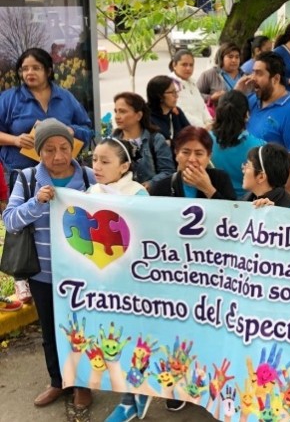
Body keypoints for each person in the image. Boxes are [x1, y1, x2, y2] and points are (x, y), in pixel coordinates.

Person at [3, 118, 95, 410]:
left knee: (81, 330)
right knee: (51, 331)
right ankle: (58, 381)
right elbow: (10, 220)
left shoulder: (90, 178)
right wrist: (36, 203)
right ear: (39, 151)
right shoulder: (28, 178)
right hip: (43, 273)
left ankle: (82, 385)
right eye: (49, 149)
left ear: (73, 148)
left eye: (64, 148)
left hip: (83, 275)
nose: (58, 156)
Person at [90, 138, 153, 422]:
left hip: (133, 283)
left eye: (105, 161)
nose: (97, 166)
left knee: (135, 338)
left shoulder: (137, 195)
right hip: (103, 283)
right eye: (94, 160)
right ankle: (127, 397)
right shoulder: (89, 193)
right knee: (112, 340)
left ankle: (137, 392)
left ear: (124, 166)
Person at [0, 48, 93, 172]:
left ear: (48, 71)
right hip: (20, 173)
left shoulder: (65, 97)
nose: (29, 73)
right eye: (25, 69)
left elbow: (87, 130)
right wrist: (15, 140)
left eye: (36, 68)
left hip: (61, 172)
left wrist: (72, 130)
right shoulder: (8, 99)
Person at [235, 52, 290, 195]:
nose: (253, 78)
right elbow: (226, 122)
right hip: (249, 194)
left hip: (272, 200)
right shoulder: (252, 101)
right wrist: (237, 92)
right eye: (253, 72)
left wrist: (280, 199)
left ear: (275, 78)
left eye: (259, 73)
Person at [151, 126, 237, 200]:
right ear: (176, 154)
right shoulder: (162, 186)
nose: (192, 159)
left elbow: (232, 211)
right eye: (186, 152)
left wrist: (208, 189)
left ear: (209, 156)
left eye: (199, 154)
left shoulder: (221, 179)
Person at [111, 92, 175, 191]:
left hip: (149, 197)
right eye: (116, 111)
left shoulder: (155, 139)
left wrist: (151, 183)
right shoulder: (111, 142)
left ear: (139, 115)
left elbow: (168, 171)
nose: (117, 116)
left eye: (122, 111)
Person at [209, 90, 265, 198]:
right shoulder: (260, 148)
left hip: (210, 200)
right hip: (246, 204)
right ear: (247, 115)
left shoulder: (204, 141)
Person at [242, 144, 290, 209]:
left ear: (261, 177)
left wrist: (274, 212)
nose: (243, 170)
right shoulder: (249, 197)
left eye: (248, 166)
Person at [169, 49, 213, 128]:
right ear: (174, 65)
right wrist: (203, 126)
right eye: (184, 65)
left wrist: (209, 121)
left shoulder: (192, 83)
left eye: (191, 65)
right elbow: (182, 112)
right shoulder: (171, 85)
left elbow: (202, 106)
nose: (188, 68)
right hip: (186, 130)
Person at [196, 42, 245, 109]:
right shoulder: (209, 75)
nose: (234, 60)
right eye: (230, 57)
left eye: (237, 57)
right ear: (221, 58)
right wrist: (211, 98)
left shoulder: (245, 76)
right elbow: (195, 95)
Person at [147, 75, 190, 143]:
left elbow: (191, 134)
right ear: (159, 95)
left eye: (176, 91)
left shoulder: (176, 112)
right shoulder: (147, 118)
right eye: (172, 92)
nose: (176, 96)